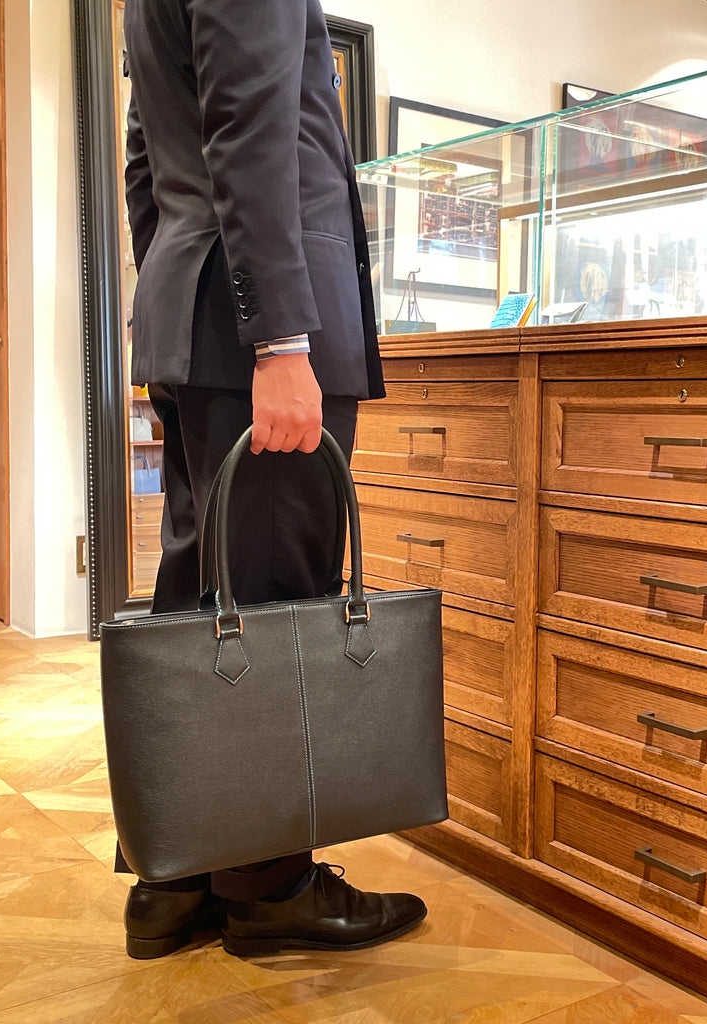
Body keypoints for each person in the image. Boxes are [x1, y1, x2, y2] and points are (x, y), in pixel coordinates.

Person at [119, 0, 427, 960]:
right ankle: (269, 888)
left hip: (197, 313)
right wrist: (279, 338)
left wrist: (176, 298)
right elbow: (251, 129)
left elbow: (145, 160)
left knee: (198, 601)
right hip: (264, 332)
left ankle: (177, 876)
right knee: (276, 605)